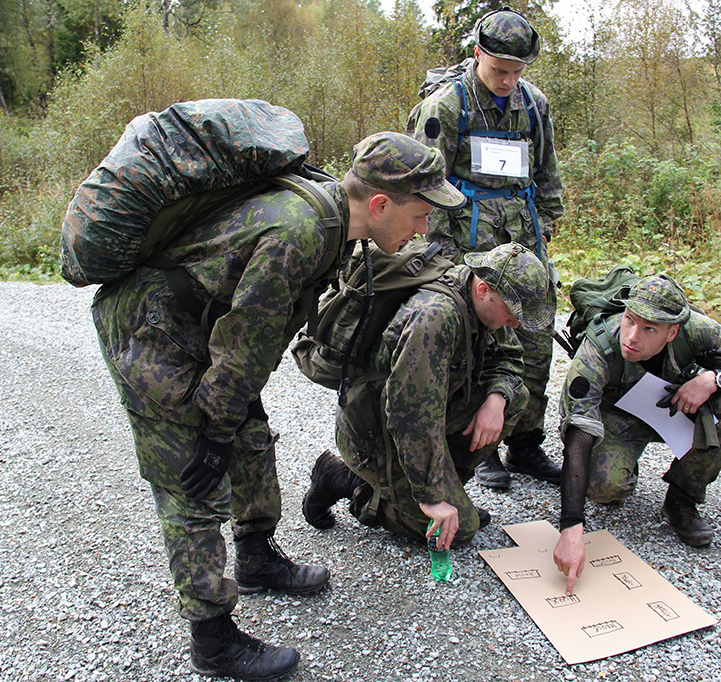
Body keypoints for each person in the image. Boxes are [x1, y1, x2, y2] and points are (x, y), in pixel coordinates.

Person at [92, 132, 465, 680]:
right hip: (154, 334)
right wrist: (214, 432)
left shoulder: (337, 223)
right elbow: (244, 341)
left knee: (249, 437)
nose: (423, 229)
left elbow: (249, 346)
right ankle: (212, 637)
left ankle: (256, 556)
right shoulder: (302, 232)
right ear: (381, 205)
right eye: (420, 214)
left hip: (206, 332)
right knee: (192, 479)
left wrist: (231, 421)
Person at [301, 242, 555, 552]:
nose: (515, 322)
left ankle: (434, 490)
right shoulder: (435, 318)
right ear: (483, 288)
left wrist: (497, 397)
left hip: (424, 416)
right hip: (377, 435)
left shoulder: (483, 300)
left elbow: (511, 358)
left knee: (515, 398)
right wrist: (432, 497)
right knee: (461, 532)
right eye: (513, 312)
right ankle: (346, 481)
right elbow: (410, 419)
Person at [407, 8, 564, 490]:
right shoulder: (446, 107)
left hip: (523, 244)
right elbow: (423, 188)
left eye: (517, 72)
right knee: (481, 344)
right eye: (499, 70)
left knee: (534, 339)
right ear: (477, 55)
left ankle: (525, 442)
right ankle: (484, 445)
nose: (508, 81)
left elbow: (547, 175)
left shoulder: (533, 105)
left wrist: (547, 229)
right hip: (467, 251)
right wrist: (446, 261)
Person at [552, 275, 721, 594]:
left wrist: (714, 379)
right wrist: (571, 525)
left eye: (649, 329)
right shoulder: (599, 345)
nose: (631, 336)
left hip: (672, 407)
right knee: (605, 488)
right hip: (616, 416)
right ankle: (622, 461)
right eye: (629, 320)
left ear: (672, 332)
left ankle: (682, 499)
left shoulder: (696, 329)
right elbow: (579, 433)